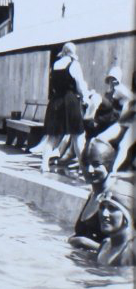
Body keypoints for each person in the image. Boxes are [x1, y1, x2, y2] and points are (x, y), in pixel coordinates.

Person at [40, 42, 89, 172]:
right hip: (70, 101)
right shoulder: (74, 64)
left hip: (56, 101)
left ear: (63, 52)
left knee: (53, 136)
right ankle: (83, 167)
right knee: (78, 135)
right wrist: (85, 97)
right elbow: (80, 85)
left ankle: (44, 164)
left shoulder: (55, 64)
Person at [68, 139, 117, 250]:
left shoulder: (114, 198)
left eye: (96, 164)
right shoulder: (93, 195)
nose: (90, 170)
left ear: (109, 165)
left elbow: (120, 250)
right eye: (85, 164)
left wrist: (82, 242)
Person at [96, 180, 136, 266]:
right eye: (102, 207)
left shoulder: (132, 251)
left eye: (112, 208)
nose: (104, 214)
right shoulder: (105, 244)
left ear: (127, 214)